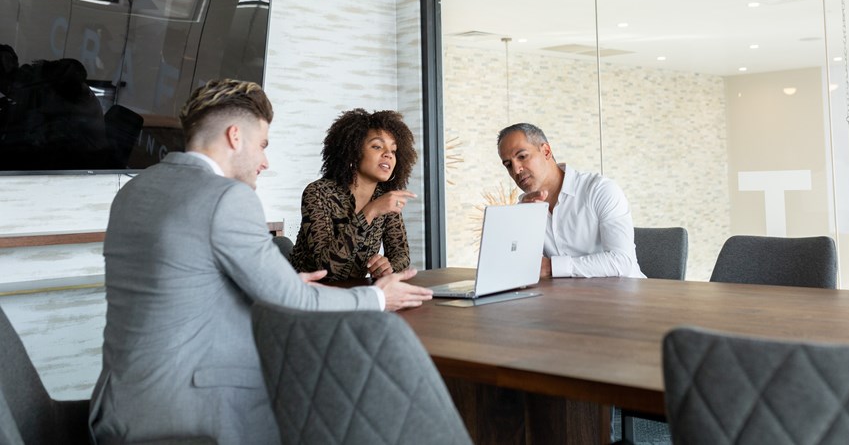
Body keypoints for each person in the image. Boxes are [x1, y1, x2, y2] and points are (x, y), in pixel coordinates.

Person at [89, 80, 432, 445]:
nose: (265, 161)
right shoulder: (227, 197)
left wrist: (283, 283)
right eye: (262, 145)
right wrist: (379, 297)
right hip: (194, 417)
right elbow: (294, 301)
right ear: (235, 137)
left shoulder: (133, 191)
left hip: (116, 411)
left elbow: (188, 284)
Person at [496, 122, 644, 278]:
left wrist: (551, 267)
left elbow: (622, 262)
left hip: (626, 291)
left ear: (546, 151)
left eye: (522, 156)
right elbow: (520, 266)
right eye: (508, 165)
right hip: (568, 293)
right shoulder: (526, 208)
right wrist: (519, 224)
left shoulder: (600, 190)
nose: (516, 170)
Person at [289, 109, 416, 283]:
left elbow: (401, 256)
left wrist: (389, 268)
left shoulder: (384, 198)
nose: (388, 154)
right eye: (377, 146)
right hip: (305, 292)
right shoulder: (318, 193)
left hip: (354, 292)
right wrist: (370, 212)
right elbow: (326, 270)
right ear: (353, 153)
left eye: (393, 150)